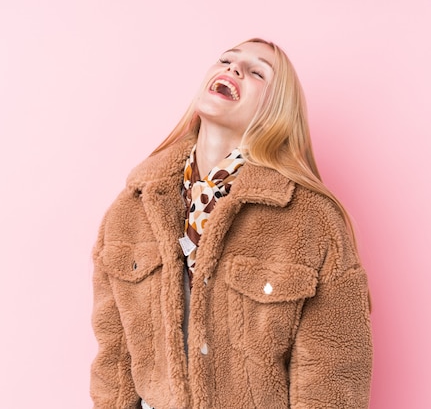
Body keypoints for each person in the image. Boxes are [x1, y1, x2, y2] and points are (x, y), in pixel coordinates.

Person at [90, 38, 373, 409]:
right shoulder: (131, 209)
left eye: (257, 72)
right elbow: (114, 359)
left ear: (277, 111)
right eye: (226, 59)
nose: (233, 69)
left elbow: (334, 377)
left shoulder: (312, 220)